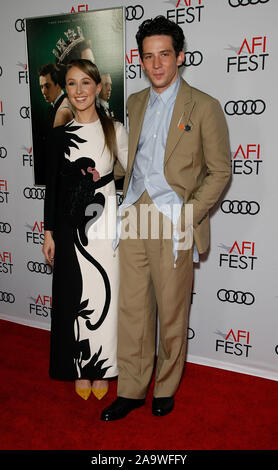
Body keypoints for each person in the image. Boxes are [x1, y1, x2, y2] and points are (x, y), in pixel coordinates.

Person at [101, 16, 231, 420]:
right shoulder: (135, 103)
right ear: (140, 60)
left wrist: (189, 214)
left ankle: (166, 387)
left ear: (180, 57)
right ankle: (132, 388)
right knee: (133, 308)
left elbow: (220, 170)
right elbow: (131, 161)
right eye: (148, 57)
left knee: (172, 310)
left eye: (164, 55)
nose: (156, 65)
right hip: (135, 214)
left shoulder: (205, 106)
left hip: (175, 218)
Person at [42, 59, 127, 401]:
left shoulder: (115, 130)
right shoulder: (59, 135)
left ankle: (103, 366)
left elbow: (136, 176)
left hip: (105, 226)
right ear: (66, 89)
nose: (79, 91)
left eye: (85, 83)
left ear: (97, 87)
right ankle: (79, 365)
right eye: (72, 84)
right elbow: (53, 189)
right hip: (68, 226)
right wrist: (49, 233)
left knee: (105, 296)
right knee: (74, 296)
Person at [38, 63, 73, 128]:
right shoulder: (50, 110)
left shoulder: (65, 108)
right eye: (41, 87)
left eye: (47, 86)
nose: (43, 91)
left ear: (58, 85)